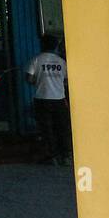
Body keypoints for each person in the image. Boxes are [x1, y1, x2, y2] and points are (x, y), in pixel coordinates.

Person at [26, 35, 70, 165]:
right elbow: (66, 80)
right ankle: (66, 156)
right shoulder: (61, 62)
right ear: (56, 46)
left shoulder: (36, 60)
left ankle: (52, 156)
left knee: (46, 128)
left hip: (42, 99)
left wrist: (38, 81)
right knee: (62, 127)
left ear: (42, 45)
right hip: (59, 100)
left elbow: (29, 78)